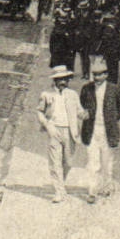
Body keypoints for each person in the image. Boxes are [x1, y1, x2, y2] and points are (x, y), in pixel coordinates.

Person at [78, 55, 120, 203]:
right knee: (92, 162)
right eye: (95, 74)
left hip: (107, 130)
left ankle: (106, 186)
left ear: (106, 74)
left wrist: (111, 121)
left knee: (107, 162)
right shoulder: (86, 89)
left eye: (100, 74)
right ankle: (92, 190)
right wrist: (84, 114)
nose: (97, 77)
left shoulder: (114, 89)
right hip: (91, 130)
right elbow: (81, 105)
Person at [37, 64, 82, 203]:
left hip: (70, 131)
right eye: (59, 79)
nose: (63, 82)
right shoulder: (47, 95)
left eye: (65, 79)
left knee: (68, 162)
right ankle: (59, 191)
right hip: (54, 129)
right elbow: (39, 111)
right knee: (55, 162)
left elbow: (79, 110)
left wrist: (85, 114)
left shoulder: (73, 94)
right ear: (54, 81)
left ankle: (60, 184)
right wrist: (47, 125)